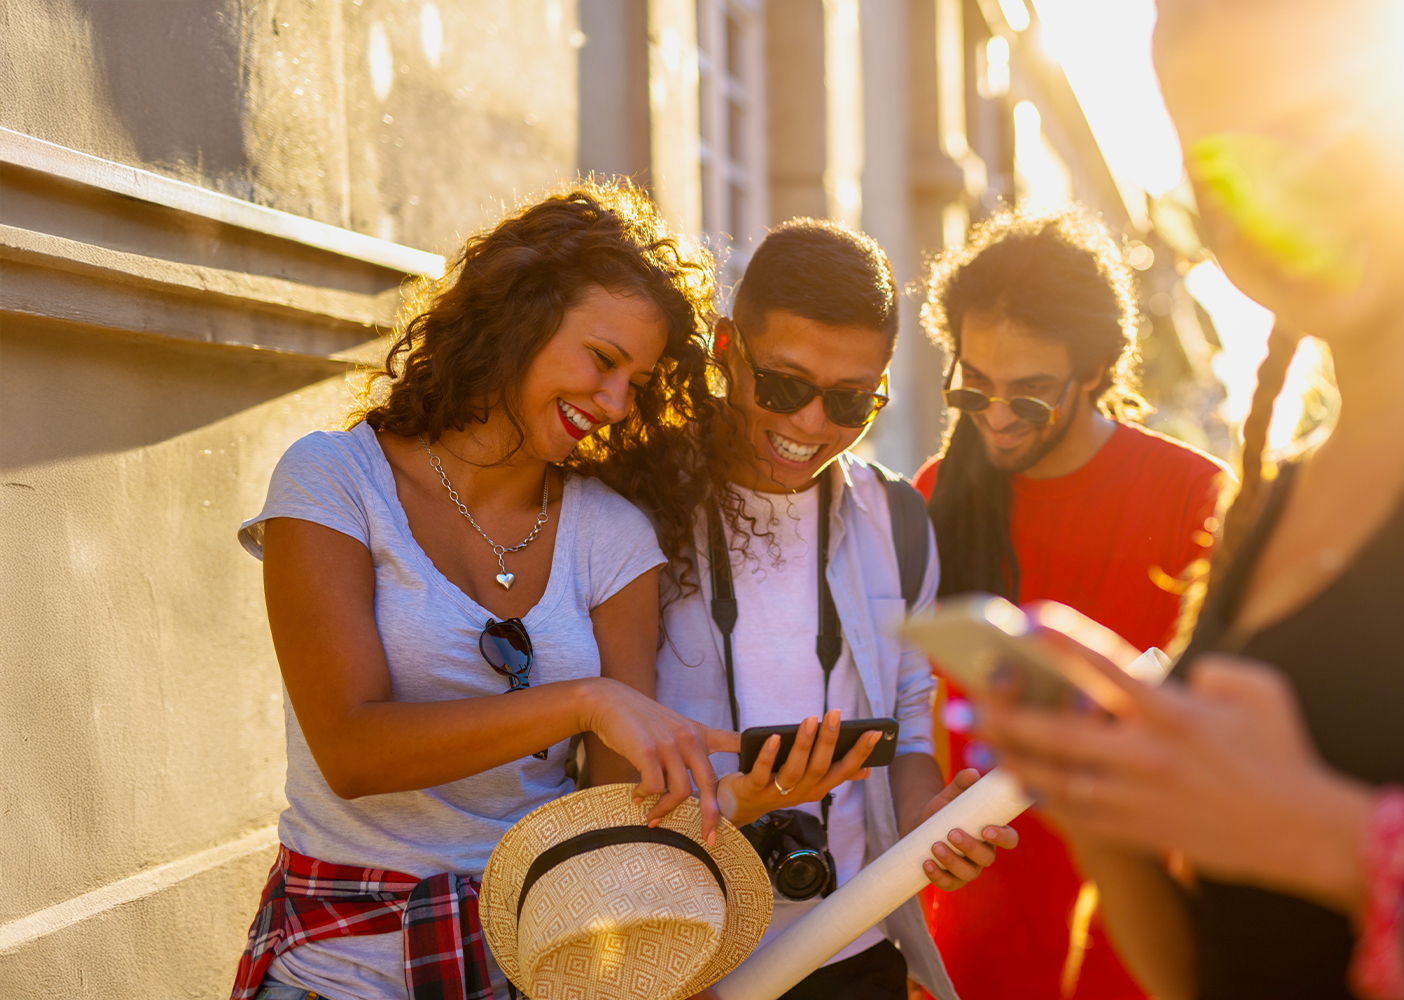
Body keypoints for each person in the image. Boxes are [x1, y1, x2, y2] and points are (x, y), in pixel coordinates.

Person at [979, 2, 1404, 999]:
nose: (1280, 198)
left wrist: (1341, 839)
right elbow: (1218, 967)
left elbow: (1305, 838)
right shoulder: (1262, 514)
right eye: (1219, 175)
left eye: (1324, 129)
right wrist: (1092, 798)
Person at [230, 182, 740, 1000]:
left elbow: (614, 809)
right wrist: (583, 699)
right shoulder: (334, 481)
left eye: (636, 384)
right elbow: (351, 752)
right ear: (518, 321)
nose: (614, 404)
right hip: (339, 967)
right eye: (603, 361)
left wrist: (740, 793)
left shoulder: (611, 537)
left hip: (535, 961)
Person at [654, 219, 1019, 1000]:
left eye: (852, 401)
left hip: (851, 952)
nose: (811, 426)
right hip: (674, 953)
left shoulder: (897, 517)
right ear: (726, 351)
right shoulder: (637, 500)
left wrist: (931, 821)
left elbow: (911, 714)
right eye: (783, 387)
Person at [911, 208, 1228, 1000]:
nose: (996, 416)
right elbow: (914, 712)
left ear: (1093, 372)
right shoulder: (934, 496)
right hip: (973, 935)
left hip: (1129, 938)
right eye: (973, 384)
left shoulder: (1195, 500)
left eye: (1031, 393)